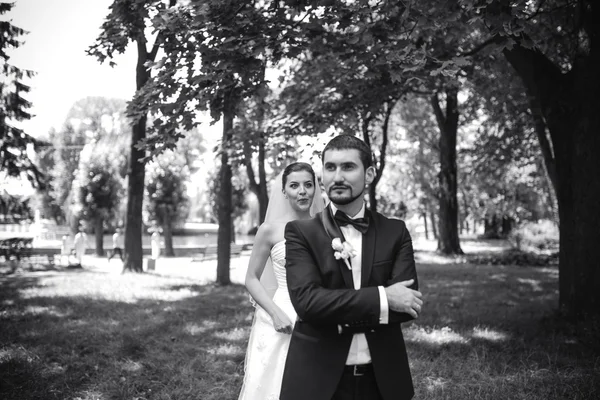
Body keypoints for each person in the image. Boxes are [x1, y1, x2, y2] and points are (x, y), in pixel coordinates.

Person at [280, 135, 423, 400]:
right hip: (318, 377)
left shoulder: (395, 231)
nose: (337, 176)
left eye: (348, 167)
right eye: (330, 167)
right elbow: (307, 303)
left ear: (368, 174)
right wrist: (384, 298)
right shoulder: (301, 232)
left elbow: (408, 306)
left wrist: (335, 307)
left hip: (383, 379)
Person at [238, 162, 324, 400]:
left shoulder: (327, 227)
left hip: (318, 312)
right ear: (284, 191)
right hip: (281, 313)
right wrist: (275, 313)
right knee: (274, 383)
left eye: (308, 184)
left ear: (316, 189)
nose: (302, 191)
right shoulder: (269, 230)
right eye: (294, 185)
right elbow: (251, 278)